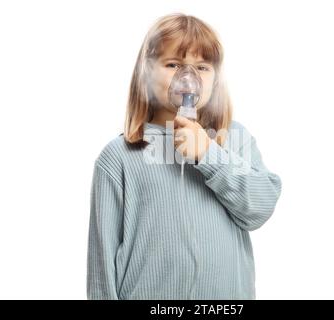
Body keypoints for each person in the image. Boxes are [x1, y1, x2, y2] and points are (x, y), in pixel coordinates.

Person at [87, 13, 282, 300]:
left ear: (216, 79)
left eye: (202, 67)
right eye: (173, 64)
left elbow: (260, 209)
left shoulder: (232, 139)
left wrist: (208, 154)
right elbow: (101, 263)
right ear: (146, 71)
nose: (188, 78)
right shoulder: (119, 157)